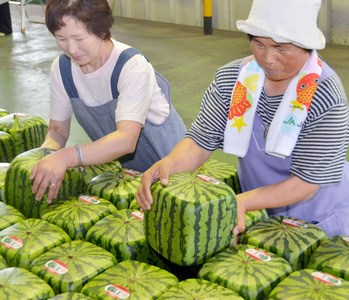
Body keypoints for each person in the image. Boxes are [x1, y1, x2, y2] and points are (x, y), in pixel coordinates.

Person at [136, 0, 349, 239]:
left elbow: (306, 184)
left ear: (306, 45)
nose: (267, 58)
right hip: (265, 213)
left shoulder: (325, 94)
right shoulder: (232, 80)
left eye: (280, 48)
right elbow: (200, 141)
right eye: (258, 42)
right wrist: (169, 165)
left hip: (322, 216)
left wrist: (243, 201)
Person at [30, 0, 186, 203]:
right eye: (61, 38)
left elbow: (126, 139)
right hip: (125, 179)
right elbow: (58, 130)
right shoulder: (62, 69)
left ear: (102, 30)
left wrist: (66, 157)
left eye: (79, 38)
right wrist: (48, 154)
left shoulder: (131, 67)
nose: (71, 48)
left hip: (174, 177)